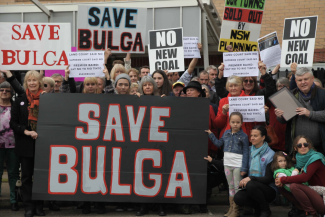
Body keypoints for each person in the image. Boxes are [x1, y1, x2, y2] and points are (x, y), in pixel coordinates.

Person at [10, 70, 45, 217]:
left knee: (41, 176)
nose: (31, 83)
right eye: (29, 80)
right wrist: (27, 132)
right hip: (25, 143)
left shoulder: (47, 99)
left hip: (43, 144)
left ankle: (39, 206)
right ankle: (28, 206)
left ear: (39, 82)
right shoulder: (19, 100)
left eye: (34, 80)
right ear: (26, 83)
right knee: (26, 177)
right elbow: (14, 123)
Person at [205, 112, 249, 217]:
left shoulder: (244, 136)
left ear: (241, 123)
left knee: (237, 187)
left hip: (238, 164)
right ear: (229, 122)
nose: (235, 124)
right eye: (233, 122)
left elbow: (246, 152)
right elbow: (218, 144)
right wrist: (211, 134)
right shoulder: (226, 133)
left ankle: (236, 210)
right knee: (230, 187)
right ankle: (231, 208)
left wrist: (244, 167)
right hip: (227, 164)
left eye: (238, 122)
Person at [275, 68, 325, 154]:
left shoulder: (322, 94)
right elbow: (284, 120)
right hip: (297, 148)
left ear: (312, 78)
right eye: (300, 80)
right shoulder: (290, 95)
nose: (303, 82)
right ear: (296, 81)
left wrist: (310, 113)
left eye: (306, 79)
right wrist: (280, 116)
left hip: (320, 147)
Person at [275, 135, 325, 217]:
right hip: (313, 192)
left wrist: (283, 179)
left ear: (309, 145)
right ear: (295, 148)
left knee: (294, 186)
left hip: (323, 196)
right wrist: (278, 179)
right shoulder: (299, 161)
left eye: (305, 144)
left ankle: (311, 213)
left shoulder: (315, 158)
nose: (303, 147)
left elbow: (304, 177)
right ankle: (302, 209)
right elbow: (291, 173)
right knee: (281, 187)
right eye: (299, 145)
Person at [234, 125, 276, 217]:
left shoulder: (271, 154)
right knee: (238, 198)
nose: (252, 138)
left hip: (268, 189)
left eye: (255, 136)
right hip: (252, 187)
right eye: (251, 135)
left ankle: (265, 210)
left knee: (251, 184)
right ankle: (259, 208)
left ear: (263, 137)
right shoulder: (248, 151)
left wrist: (251, 178)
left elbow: (269, 179)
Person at [0, 81, 20, 212]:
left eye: (7, 90)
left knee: (13, 174)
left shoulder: (16, 107)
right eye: (1, 90)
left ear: (11, 92)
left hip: (14, 145)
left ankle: (13, 200)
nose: (4, 92)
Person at [267, 78, 289, 152]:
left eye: (285, 86)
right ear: (276, 88)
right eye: (280, 86)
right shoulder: (271, 100)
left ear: (289, 87)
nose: (282, 88)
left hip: (288, 143)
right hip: (274, 142)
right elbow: (266, 89)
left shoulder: (293, 100)